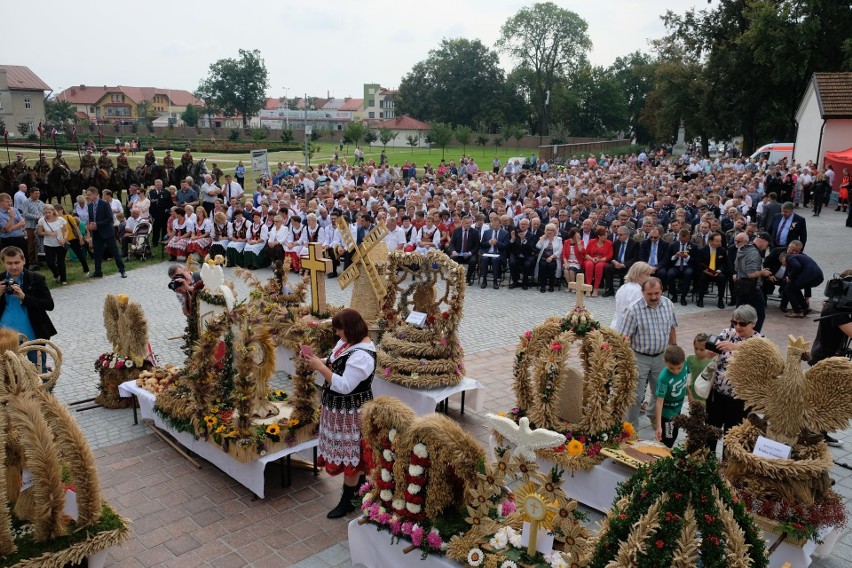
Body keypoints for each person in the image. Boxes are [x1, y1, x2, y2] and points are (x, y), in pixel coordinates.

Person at [301, 308, 375, 518]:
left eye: (339, 330)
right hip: (339, 411)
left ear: (350, 330)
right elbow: (336, 362)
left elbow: (344, 385)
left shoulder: (363, 356)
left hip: (352, 413)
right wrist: (317, 360)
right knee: (353, 455)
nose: (337, 335)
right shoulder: (349, 343)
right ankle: (359, 493)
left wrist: (318, 367)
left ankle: (348, 501)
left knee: (352, 456)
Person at [617, 276, 678, 429]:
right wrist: (626, 361)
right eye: (650, 294)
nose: (654, 297)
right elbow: (624, 337)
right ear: (642, 292)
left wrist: (674, 347)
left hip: (661, 357)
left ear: (662, 290)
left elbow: (672, 327)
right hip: (639, 358)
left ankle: (653, 417)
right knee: (635, 396)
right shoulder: (633, 309)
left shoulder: (668, 304)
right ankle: (631, 429)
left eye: (657, 293)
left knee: (660, 392)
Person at [702, 305, 760, 453]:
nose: (737, 326)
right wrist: (709, 351)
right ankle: (706, 464)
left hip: (740, 399)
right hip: (717, 394)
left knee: (733, 436)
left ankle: (728, 468)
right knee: (710, 431)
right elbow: (712, 351)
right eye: (734, 322)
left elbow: (758, 356)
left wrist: (735, 347)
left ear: (753, 323)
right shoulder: (728, 333)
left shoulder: (759, 341)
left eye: (742, 323)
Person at [0, 246, 56, 366]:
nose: (14, 267)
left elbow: (49, 304)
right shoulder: (0, 279)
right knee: (9, 376)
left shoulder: (36, 279)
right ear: (3, 263)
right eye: (9, 263)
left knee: (38, 374)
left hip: (32, 335)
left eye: (17, 262)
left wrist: (24, 297)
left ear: (24, 260)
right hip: (5, 338)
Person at [86, 187, 127, 278]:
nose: (88, 196)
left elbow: (110, 219)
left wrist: (97, 224)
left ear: (96, 194)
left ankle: (122, 270)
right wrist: (91, 225)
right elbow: (92, 219)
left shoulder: (104, 204)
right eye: (87, 195)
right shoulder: (89, 206)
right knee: (97, 253)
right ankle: (98, 272)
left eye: (89, 194)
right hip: (96, 233)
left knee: (115, 252)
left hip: (107, 232)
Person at [654, 345, 688, 448]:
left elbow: (686, 381)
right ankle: (662, 458)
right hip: (667, 415)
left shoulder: (685, 365)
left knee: (674, 434)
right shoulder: (664, 379)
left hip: (677, 410)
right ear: (665, 362)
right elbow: (659, 403)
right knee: (668, 439)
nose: (676, 371)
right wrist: (659, 426)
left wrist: (690, 395)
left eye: (679, 368)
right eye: (672, 368)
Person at [733, 231, 767, 332]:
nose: (766, 248)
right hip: (752, 288)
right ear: (763, 241)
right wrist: (763, 273)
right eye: (767, 245)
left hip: (740, 286)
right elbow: (751, 274)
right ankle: (753, 338)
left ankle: (735, 335)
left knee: (738, 314)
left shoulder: (742, 248)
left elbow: (736, 266)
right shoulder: (753, 252)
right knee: (760, 315)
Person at [780, 249, 823, 318]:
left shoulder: (789, 258)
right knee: (794, 288)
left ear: (783, 258)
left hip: (812, 276)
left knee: (788, 288)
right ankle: (805, 308)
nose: (782, 264)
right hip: (817, 277)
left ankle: (797, 312)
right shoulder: (796, 257)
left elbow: (797, 266)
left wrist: (790, 278)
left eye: (781, 261)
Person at [611, 261, 653, 330]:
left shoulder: (624, 287)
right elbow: (638, 315)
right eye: (647, 275)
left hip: (616, 325)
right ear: (639, 275)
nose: (649, 278)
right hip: (628, 330)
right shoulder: (638, 291)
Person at [36, 205, 68, 284]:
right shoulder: (41, 220)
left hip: (60, 243)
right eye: (46, 212)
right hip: (48, 244)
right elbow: (39, 232)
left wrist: (64, 239)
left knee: (61, 262)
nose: (47, 214)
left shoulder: (60, 219)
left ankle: (63, 279)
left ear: (53, 211)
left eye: (49, 212)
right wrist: (48, 233)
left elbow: (66, 230)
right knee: (50, 262)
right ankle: (56, 274)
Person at [603, 226, 639, 296]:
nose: (618, 236)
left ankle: (623, 290)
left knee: (629, 269)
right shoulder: (616, 243)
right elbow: (612, 256)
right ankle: (610, 289)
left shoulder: (634, 244)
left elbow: (634, 258)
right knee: (607, 268)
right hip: (617, 264)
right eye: (617, 234)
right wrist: (614, 262)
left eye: (620, 235)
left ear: (626, 234)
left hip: (627, 265)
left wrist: (624, 265)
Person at [697, 232, 728, 309]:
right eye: (717, 241)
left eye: (720, 241)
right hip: (706, 271)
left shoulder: (722, 250)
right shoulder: (702, 250)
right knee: (702, 276)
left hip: (717, 272)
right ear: (710, 241)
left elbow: (724, 263)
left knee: (722, 277)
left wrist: (719, 270)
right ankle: (700, 299)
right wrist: (705, 270)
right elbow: (698, 263)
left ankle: (720, 300)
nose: (719, 243)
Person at [55, 204, 88, 276]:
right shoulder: (55, 220)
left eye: (58, 211)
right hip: (63, 241)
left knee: (80, 255)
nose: (57, 213)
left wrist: (80, 238)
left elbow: (76, 228)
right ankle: (59, 274)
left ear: (62, 210)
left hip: (72, 239)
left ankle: (86, 270)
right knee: (60, 259)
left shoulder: (68, 217)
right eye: (55, 211)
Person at [583, 225, 613, 297]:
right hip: (591, 259)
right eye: (604, 235)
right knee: (589, 264)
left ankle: (596, 288)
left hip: (603, 260)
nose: (606, 236)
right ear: (599, 236)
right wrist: (592, 259)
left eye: (606, 235)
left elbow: (610, 255)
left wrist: (600, 259)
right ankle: (588, 287)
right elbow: (586, 254)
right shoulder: (591, 241)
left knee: (599, 266)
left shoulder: (609, 243)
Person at [449, 215, 480, 285]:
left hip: (469, 254)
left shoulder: (474, 232)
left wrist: (470, 253)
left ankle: (468, 278)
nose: (469, 224)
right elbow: (452, 244)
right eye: (467, 223)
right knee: (452, 258)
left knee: (473, 260)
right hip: (458, 253)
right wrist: (453, 251)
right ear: (462, 223)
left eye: (470, 223)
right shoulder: (456, 231)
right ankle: (456, 277)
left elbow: (477, 246)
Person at [686, 333, 714, 406]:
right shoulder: (690, 359)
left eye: (702, 349)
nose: (698, 352)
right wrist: (689, 394)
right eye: (696, 348)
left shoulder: (713, 362)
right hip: (693, 395)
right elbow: (683, 378)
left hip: (706, 397)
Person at [20, 188, 45, 269]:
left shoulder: (41, 202)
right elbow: (25, 213)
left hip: (41, 226)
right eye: (36, 193)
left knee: (41, 243)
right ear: (31, 194)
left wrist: (43, 218)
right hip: (30, 226)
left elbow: (44, 212)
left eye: (38, 193)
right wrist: (37, 217)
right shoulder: (26, 202)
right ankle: (32, 261)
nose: (37, 195)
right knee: (31, 244)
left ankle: (41, 260)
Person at [534, 223, 562, 293]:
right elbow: (538, 247)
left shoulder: (558, 239)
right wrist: (542, 239)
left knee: (551, 267)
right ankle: (542, 285)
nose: (550, 232)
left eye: (552, 230)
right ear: (545, 231)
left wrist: (552, 256)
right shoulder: (543, 238)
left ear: (555, 231)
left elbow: (560, 250)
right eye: (548, 230)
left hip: (554, 258)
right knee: (543, 266)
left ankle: (551, 285)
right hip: (543, 258)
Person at [0, 194, 27, 260]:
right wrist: (11, 217)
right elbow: (6, 227)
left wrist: (11, 228)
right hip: (8, 240)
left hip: (20, 238)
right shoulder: (1, 214)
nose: (9, 203)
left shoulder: (14, 209)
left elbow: (23, 222)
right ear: (1, 202)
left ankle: (25, 269)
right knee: (12, 258)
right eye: (7, 202)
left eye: (10, 201)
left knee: (24, 258)